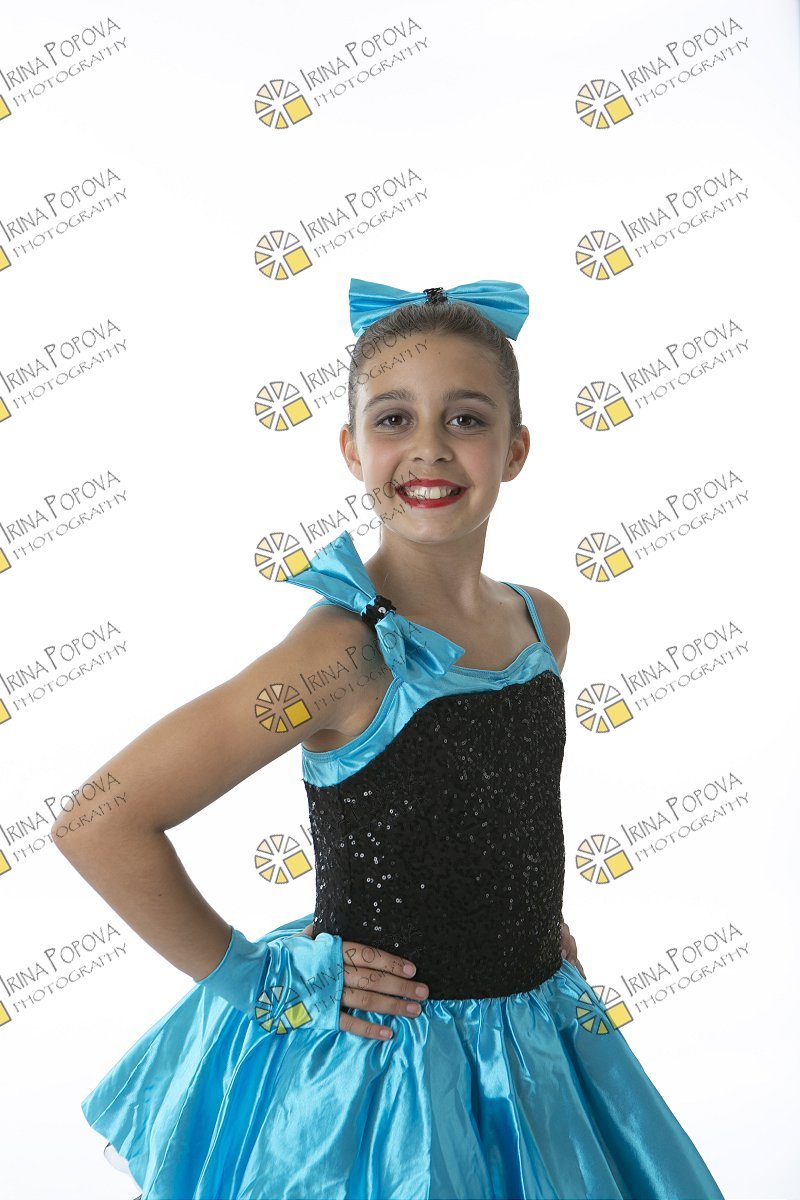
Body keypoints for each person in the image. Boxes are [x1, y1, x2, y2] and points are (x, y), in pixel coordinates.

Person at [54, 277, 727, 1200]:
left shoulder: (540, 625)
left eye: (466, 419)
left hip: (533, 1041)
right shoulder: (343, 653)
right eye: (395, 419)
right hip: (386, 1067)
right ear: (351, 448)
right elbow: (99, 821)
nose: (430, 448)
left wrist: (534, 929)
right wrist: (257, 980)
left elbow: (497, 812)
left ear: (516, 447)